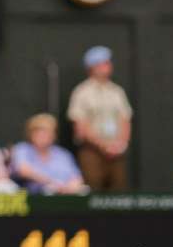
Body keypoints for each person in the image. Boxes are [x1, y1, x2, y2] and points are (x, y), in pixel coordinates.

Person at [67, 46, 132, 192]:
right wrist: (103, 145)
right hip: (92, 151)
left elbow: (125, 119)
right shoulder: (81, 92)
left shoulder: (117, 91)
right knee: (93, 191)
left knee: (118, 192)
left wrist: (121, 144)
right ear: (92, 67)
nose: (108, 66)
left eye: (108, 62)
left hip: (117, 151)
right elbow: (80, 126)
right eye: (103, 63)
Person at [11, 114, 86, 195]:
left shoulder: (62, 154)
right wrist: (53, 183)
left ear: (54, 135)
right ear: (31, 134)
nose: (44, 137)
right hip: (36, 195)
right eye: (40, 133)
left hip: (66, 193)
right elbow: (24, 171)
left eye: (47, 133)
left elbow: (77, 177)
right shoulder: (22, 149)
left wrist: (70, 186)